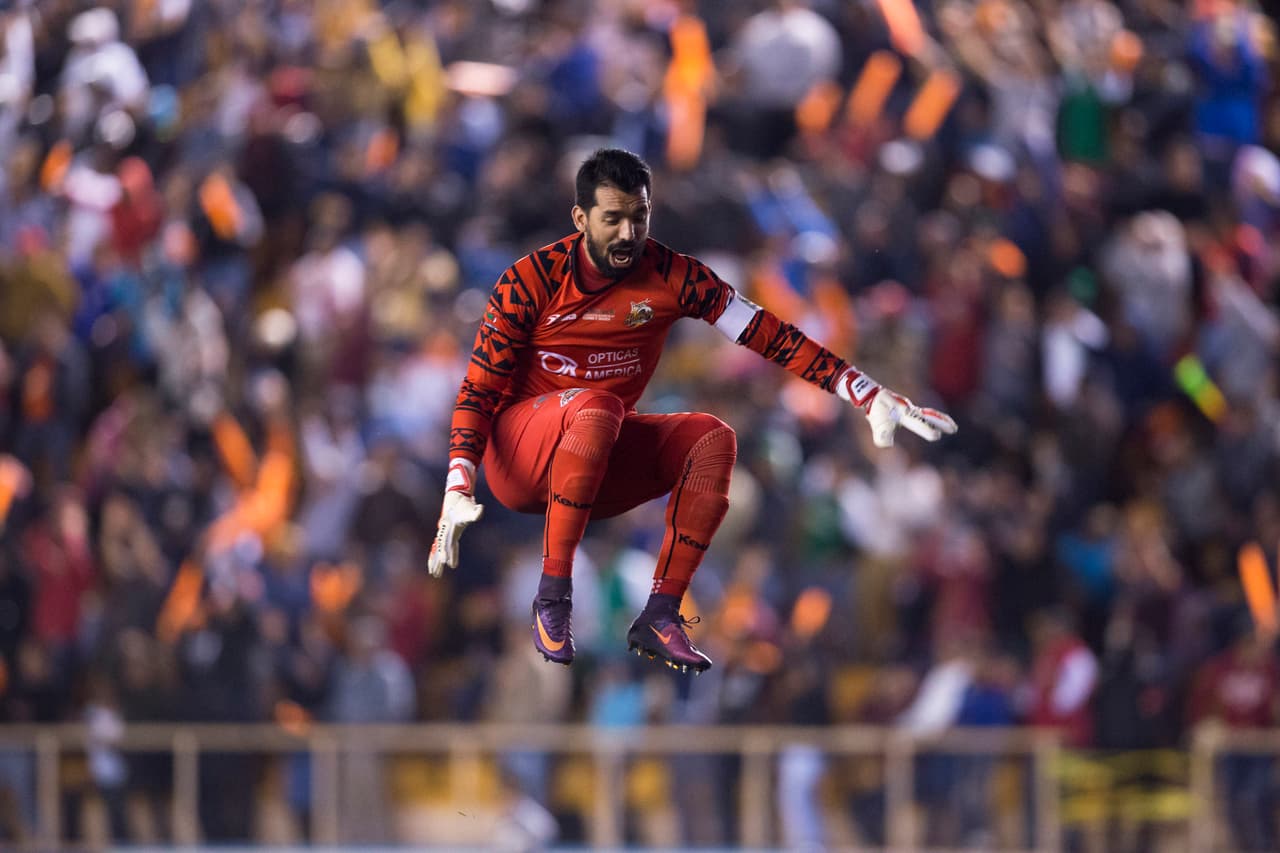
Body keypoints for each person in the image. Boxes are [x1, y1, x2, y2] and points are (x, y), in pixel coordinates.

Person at [427, 148, 956, 672]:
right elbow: (478, 390)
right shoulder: (529, 280)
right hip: (520, 460)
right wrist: (457, 485)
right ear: (580, 218)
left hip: (592, 455)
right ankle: (553, 597)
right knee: (597, 407)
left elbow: (767, 333)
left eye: (639, 217)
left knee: (712, 438)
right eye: (612, 219)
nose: (628, 234)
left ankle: (660, 614)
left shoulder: (674, 275)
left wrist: (861, 390)